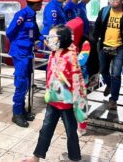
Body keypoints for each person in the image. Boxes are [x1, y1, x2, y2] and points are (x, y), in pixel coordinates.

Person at [22, 25, 87, 162]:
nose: (49, 40)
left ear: (62, 39)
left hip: (67, 104)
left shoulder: (71, 57)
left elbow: (78, 83)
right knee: (45, 130)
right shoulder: (52, 54)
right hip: (52, 101)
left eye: (52, 37)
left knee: (71, 132)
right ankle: (36, 157)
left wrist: (80, 111)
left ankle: (74, 158)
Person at [93, 0, 123, 110]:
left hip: (120, 48)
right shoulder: (104, 11)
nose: (112, 1)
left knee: (116, 74)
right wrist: (94, 41)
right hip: (104, 46)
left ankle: (113, 99)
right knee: (103, 71)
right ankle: (110, 85)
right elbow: (97, 27)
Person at [6, 0, 44, 128]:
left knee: (27, 82)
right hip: (20, 53)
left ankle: (22, 110)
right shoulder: (21, 15)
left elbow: (32, 31)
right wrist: (20, 44)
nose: (41, 5)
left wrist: (39, 38)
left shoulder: (31, 15)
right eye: (40, 3)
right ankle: (17, 114)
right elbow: (10, 32)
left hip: (27, 52)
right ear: (34, 4)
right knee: (21, 83)